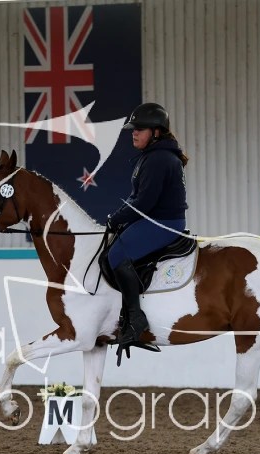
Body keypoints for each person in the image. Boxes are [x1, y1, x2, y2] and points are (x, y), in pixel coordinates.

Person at [106, 102, 189, 350]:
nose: (134, 133)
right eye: (134, 128)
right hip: (154, 219)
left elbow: (143, 202)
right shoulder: (151, 156)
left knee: (116, 254)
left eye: (139, 129)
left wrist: (116, 219)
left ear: (156, 132)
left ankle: (136, 320)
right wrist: (119, 217)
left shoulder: (159, 159)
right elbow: (136, 198)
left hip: (163, 222)